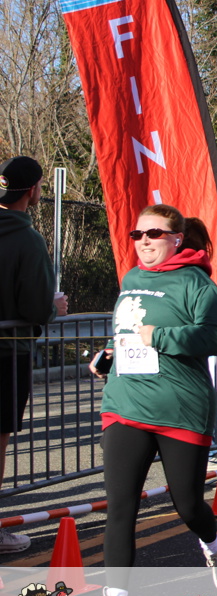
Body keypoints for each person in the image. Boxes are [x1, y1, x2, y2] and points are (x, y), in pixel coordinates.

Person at [88, 205, 217, 596]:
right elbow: (128, 334)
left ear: (177, 239)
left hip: (179, 408)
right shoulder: (132, 279)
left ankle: (212, 542)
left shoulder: (196, 283)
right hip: (126, 404)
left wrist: (164, 337)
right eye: (137, 234)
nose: (144, 241)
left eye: (154, 234)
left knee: (187, 504)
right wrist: (109, 356)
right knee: (121, 508)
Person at [0, 156, 69, 553]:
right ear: (33, 190)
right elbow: (34, 305)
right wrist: (52, 308)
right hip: (7, 354)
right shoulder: (27, 238)